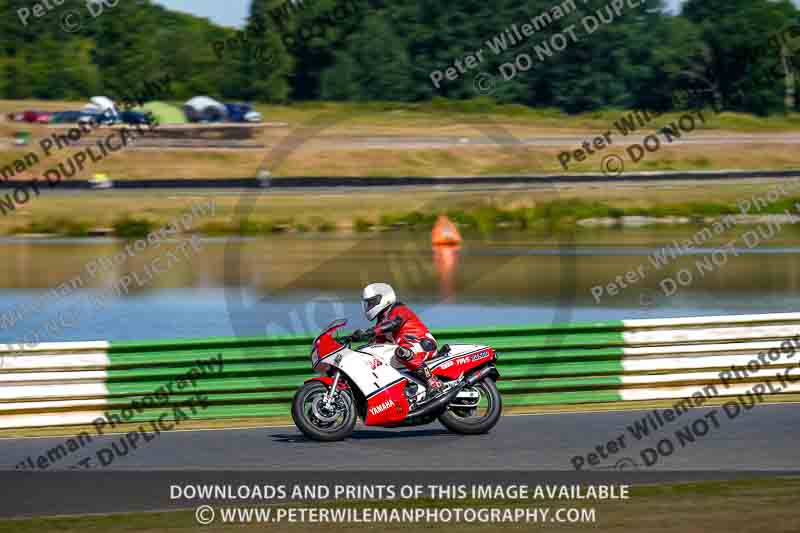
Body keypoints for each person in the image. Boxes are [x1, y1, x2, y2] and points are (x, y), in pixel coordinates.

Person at [351, 283, 444, 397]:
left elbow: (393, 323)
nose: (369, 306)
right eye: (368, 303)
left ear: (384, 298)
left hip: (422, 344)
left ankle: (432, 381)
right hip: (408, 352)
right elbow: (376, 345)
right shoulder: (381, 321)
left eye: (372, 302)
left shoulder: (399, 309)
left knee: (402, 352)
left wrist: (370, 332)